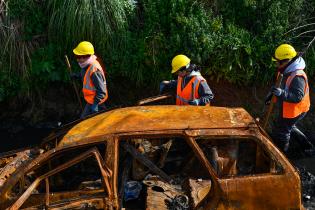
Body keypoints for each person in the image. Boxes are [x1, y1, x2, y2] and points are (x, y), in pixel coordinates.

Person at [265, 44, 310, 153]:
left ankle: (281, 156)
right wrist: (271, 95)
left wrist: (281, 93)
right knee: (289, 126)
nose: (276, 64)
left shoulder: (298, 76)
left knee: (282, 131)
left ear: (286, 61)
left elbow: (297, 96)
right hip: (289, 107)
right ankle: (307, 146)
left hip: (296, 110)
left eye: (277, 62)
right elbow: (280, 86)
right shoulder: (286, 70)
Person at [73, 41, 108, 118]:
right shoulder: (86, 64)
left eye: (78, 57)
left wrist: (95, 104)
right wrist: (77, 75)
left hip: (96, 101)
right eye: (76, 56)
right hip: (91, 99)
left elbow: (102, 91)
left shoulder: (95, 71)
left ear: (86, 56)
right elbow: (86, 75)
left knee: (84, 121)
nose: (77, 59)